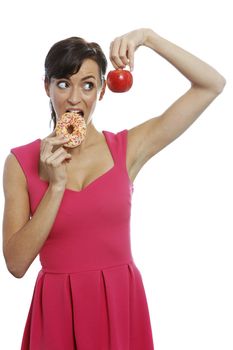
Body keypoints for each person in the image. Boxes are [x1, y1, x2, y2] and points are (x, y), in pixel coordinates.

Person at [2, 28, 225, 350]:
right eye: (63, 83)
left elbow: (212, 85)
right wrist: (56, 186)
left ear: (103, 91)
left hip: (120, 302)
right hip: (57, 310)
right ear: (46, 87)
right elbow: (16, 264)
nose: (75, 98)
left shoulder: (126, 148)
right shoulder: (20, 162)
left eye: (88, 85)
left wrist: (148, 38)